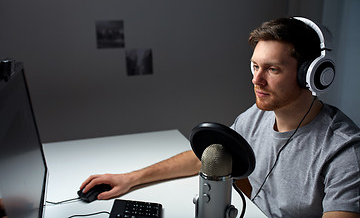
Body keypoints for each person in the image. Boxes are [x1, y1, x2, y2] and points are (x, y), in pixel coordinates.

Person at [80, 17, 360, 218]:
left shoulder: (344, 150)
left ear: (310, 75)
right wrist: (131, 178)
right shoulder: (258, 117)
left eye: (272, 69)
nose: (256, 80)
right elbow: (210, 154)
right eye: (254, 66)